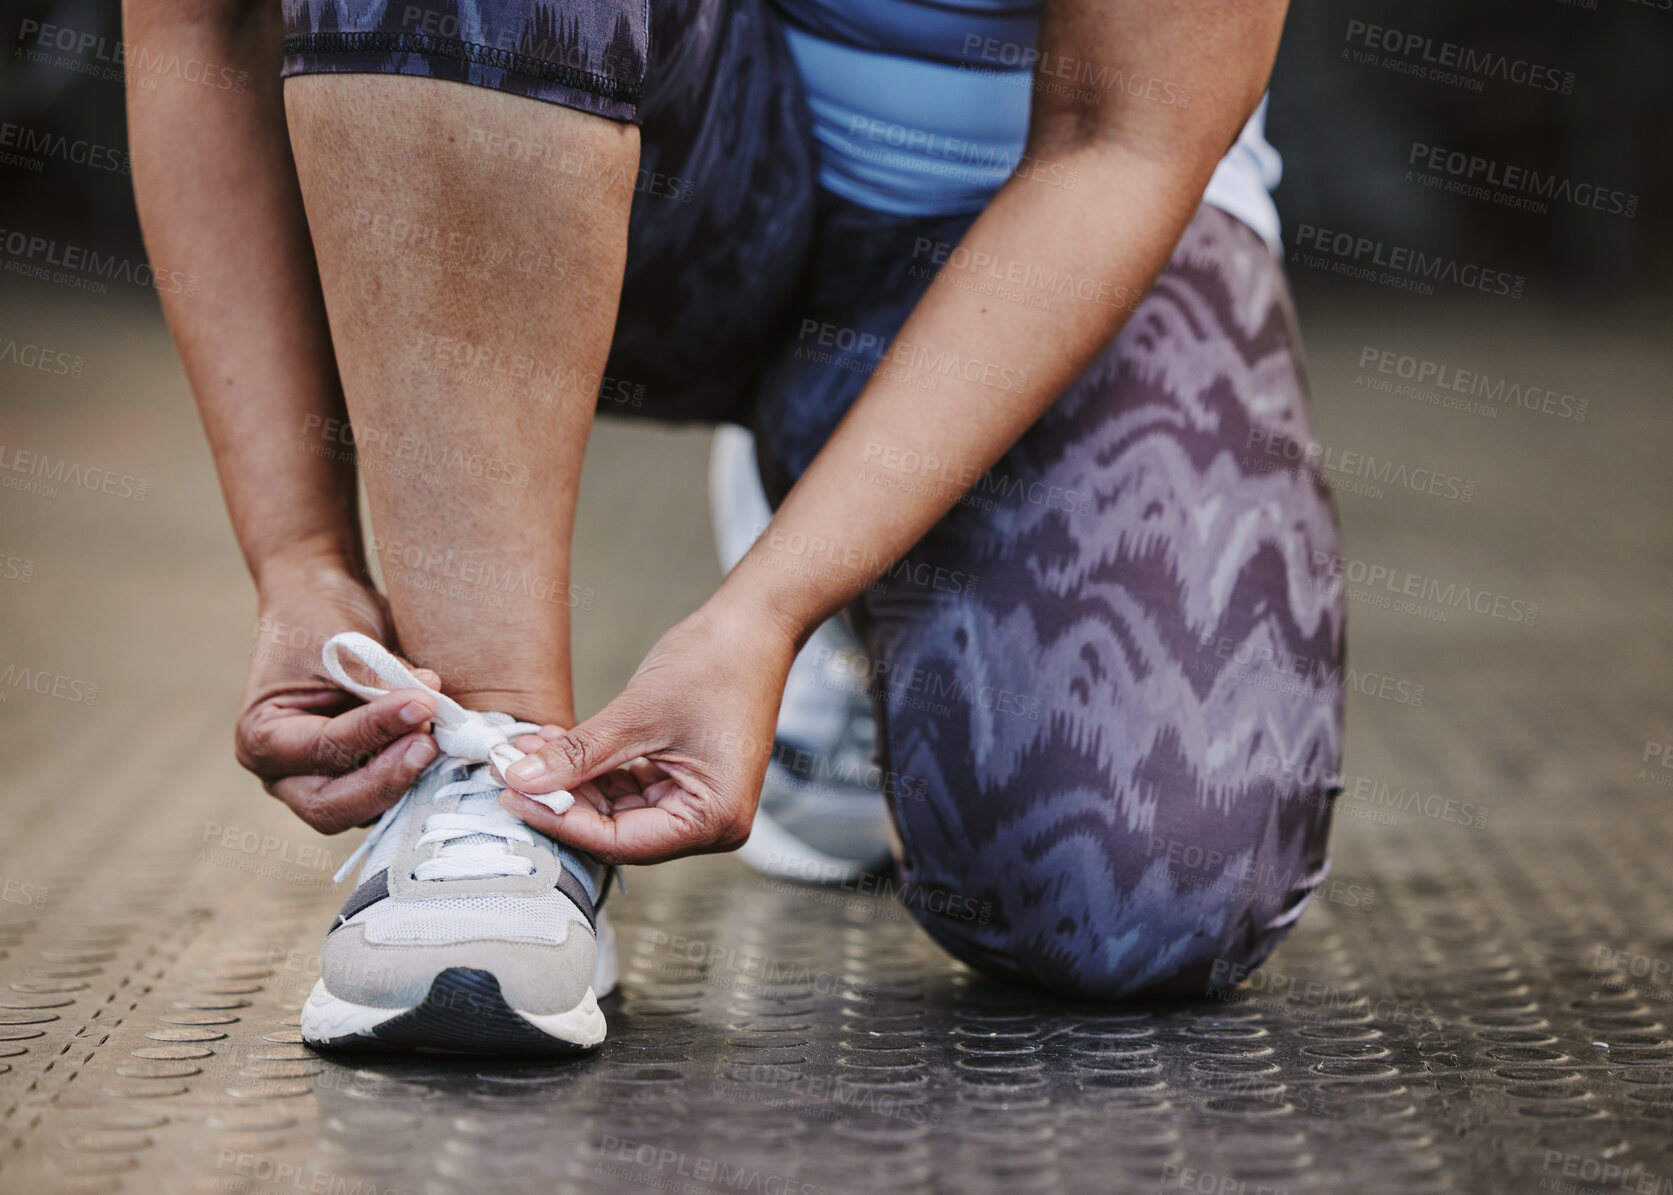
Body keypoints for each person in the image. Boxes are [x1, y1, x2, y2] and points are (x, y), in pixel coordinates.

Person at [124, 0, 1345, 1052]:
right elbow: (200, 22)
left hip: (1018, 198)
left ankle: (846, 596)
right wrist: (299, 553)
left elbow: (1120, 138)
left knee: (1134, 890)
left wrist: (769, 606)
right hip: (635, 156)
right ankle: (493, 791)